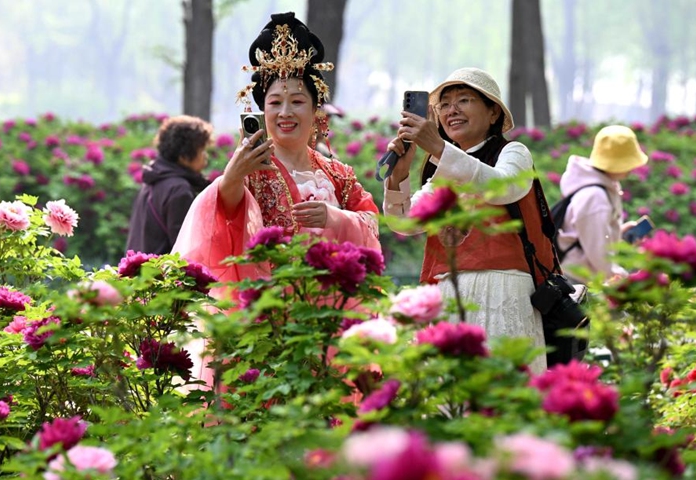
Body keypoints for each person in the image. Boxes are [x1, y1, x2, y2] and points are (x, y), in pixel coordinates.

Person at [172, 13, 381, 387]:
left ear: (316, 111)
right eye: (275, 102)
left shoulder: (338, 174)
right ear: (261, 110)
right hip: (269, 319)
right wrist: (231, 179)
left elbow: (372, 226)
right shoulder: (250, 169)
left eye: (297, 101)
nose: (286, 113)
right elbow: (227, 215)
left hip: (331, 318)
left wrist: (335, 218)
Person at [383, 67, 555, 372]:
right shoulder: (443, 171)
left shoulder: (513, 152)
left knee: (504, 399)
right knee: (453, 405)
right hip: (451, 296)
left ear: (493, 114)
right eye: (445, 104)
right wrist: (398, 178)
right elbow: (406, 223)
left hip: (505, 295)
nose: (452, 111)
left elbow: (503, 187)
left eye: (464, 100)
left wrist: (437, 147)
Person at [555, 125, 648, 283]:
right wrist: (626, 280)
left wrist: (618, 233)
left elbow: (593, 236)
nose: (633, 168)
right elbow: (599, 255)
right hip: (576, 282)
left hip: (584, 276)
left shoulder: (600, 186)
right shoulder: (595, 197)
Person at [125, 115, 212, 255]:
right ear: (184, 156)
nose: (205, 156)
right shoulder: (179, 189)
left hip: (139, 272)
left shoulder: (154, 179)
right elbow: (185, 250)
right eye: (202, 150)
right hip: (161, 275)